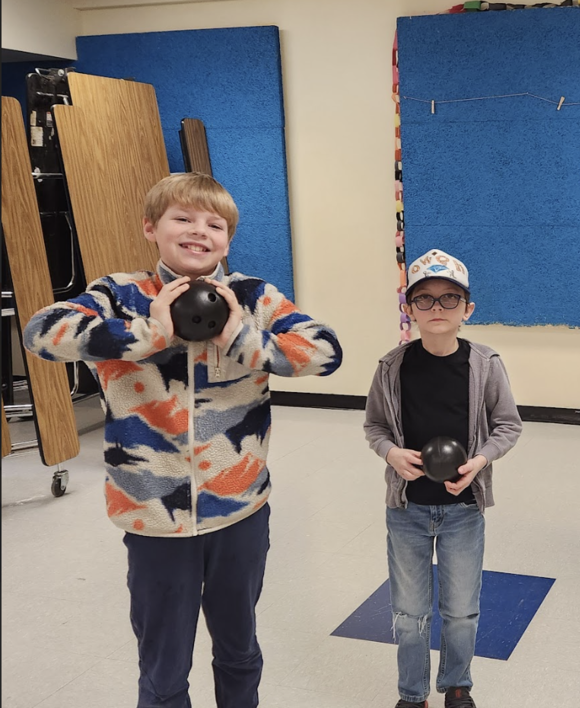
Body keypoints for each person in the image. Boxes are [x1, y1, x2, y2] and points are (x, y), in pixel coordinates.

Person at [23, 172, 343, 707]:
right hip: (153, 518)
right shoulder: (121, 294)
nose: (199, 232)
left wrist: (239, 337)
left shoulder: (253, 296)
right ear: (151, 227)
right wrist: (150, 334)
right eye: (183, 218)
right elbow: (42, 332)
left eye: (214, 224)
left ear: (228, 239)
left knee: (239, 650)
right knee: (164, 668)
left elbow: (325, 352)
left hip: (238, 511)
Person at [364, 249, 522, 708]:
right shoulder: (391, 367)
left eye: (449, 299)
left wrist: (482, 460)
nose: (437, 309)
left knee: (460, 612)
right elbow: (374, 427)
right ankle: (412, 695)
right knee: (410, 612)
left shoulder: (485, 364)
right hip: (407, 509)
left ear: (467, 309)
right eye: (425, 299)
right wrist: (392, 453)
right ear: (408, 308)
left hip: (463, 509)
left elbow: (508, 425)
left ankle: (458, 685)